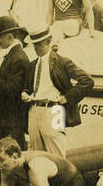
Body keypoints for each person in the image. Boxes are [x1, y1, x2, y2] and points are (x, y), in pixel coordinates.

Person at [22, 27, 94, 157]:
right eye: (34, 44)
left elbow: (87, 80)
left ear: (48, 41)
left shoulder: (62, 62)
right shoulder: (32, 65)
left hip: (54, 110)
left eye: (39, 43)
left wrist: (67, 98)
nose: (36, 47)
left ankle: (61, 177)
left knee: (57, 155)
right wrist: (25, 93)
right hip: (34, 110)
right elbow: (28, 87)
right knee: (36, 155)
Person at [0, 16, 31, 149]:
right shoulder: (14, 55)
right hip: (9, 118)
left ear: (10, 37)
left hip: (12, 119)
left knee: (11, 154)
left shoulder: (17, 58)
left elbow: (12, 89)